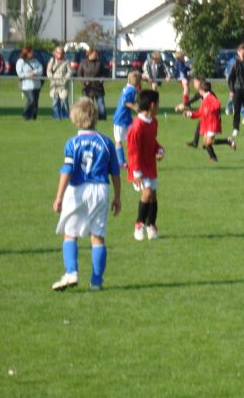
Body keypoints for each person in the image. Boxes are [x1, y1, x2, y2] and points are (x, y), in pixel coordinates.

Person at [51, 97, 121, 292]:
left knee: (70, 233)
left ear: (75, 119)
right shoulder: (106, 142)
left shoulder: (72, 143)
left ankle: (71, 272)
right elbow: (115, 173)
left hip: (78, 189)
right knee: (97, 236)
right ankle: (96, 282)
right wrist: (117, 197)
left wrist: (58, 197)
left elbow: (67, 170)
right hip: (100, 189)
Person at [127, 89, 164, 241]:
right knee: (147, 193)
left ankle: (151, 225)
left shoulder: (154, 122)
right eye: (158, 104)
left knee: (153, 196)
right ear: (152, 105)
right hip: (139, 168)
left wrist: (159, 149)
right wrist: (136, 173)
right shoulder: (136, 127)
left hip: (150, 165)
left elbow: (152, 141)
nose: (159, 107)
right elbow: (132, 150)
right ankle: (139, 224)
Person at [183, 79, 235, 162]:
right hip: (207, 123)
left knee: (208, 143)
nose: (199, 92)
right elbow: (200, 112)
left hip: (213, 123)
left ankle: (213, 158)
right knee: (206, 142)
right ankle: (227, 141)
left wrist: (209, 109)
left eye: (199, 90)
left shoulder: (210, 97)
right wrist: (190, 114)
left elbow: (217, 104)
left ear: (202, 90)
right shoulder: (205, 99)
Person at [112, 71, 141, 167]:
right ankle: (121, 161)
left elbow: (132, 99)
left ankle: (134, 159)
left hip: (126, 118)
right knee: (119, 140)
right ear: (138, 83)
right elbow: (125, 102)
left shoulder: (128, 88)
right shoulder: (131, 90)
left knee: (132, 139)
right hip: (120, 118)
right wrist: (135, 108)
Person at [78, 48, 107, 120]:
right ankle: (87, 117)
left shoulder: (100, 63)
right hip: (88, 88)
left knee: (101, 105)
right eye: (94, 54)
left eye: (96, 54)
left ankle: (102, 118)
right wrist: (84, 82)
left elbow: (105, 73)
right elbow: (79, 74)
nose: (96, 55)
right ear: (89, 54)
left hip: (98, 88)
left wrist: (101, 80)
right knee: (87, 105)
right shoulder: (83, 63)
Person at [16, 46, 43, 121]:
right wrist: (28, 75)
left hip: (36, 85)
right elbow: (19, 74)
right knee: (31, 100)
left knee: (35, 102)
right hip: (26, 85)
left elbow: (40, 69)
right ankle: (25, 114)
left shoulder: (35, 61)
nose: (33, 53)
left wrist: (34, 73)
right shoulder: (21, 61)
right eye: (31, 52)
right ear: (26, 53)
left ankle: (33, 117)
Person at [47, 46, 72, 120]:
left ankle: (65, 117)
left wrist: (64, 80)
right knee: (55, 102)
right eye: (58, 53)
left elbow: (70, 72)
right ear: (55, 53)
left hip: (63, 85)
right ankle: (56, 117)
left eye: (61, 53)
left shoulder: (66, 61)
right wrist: (52, 79)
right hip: (54, 85)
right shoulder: (52, 61)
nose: (60, 54)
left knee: (64, 101)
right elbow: (48, 71)